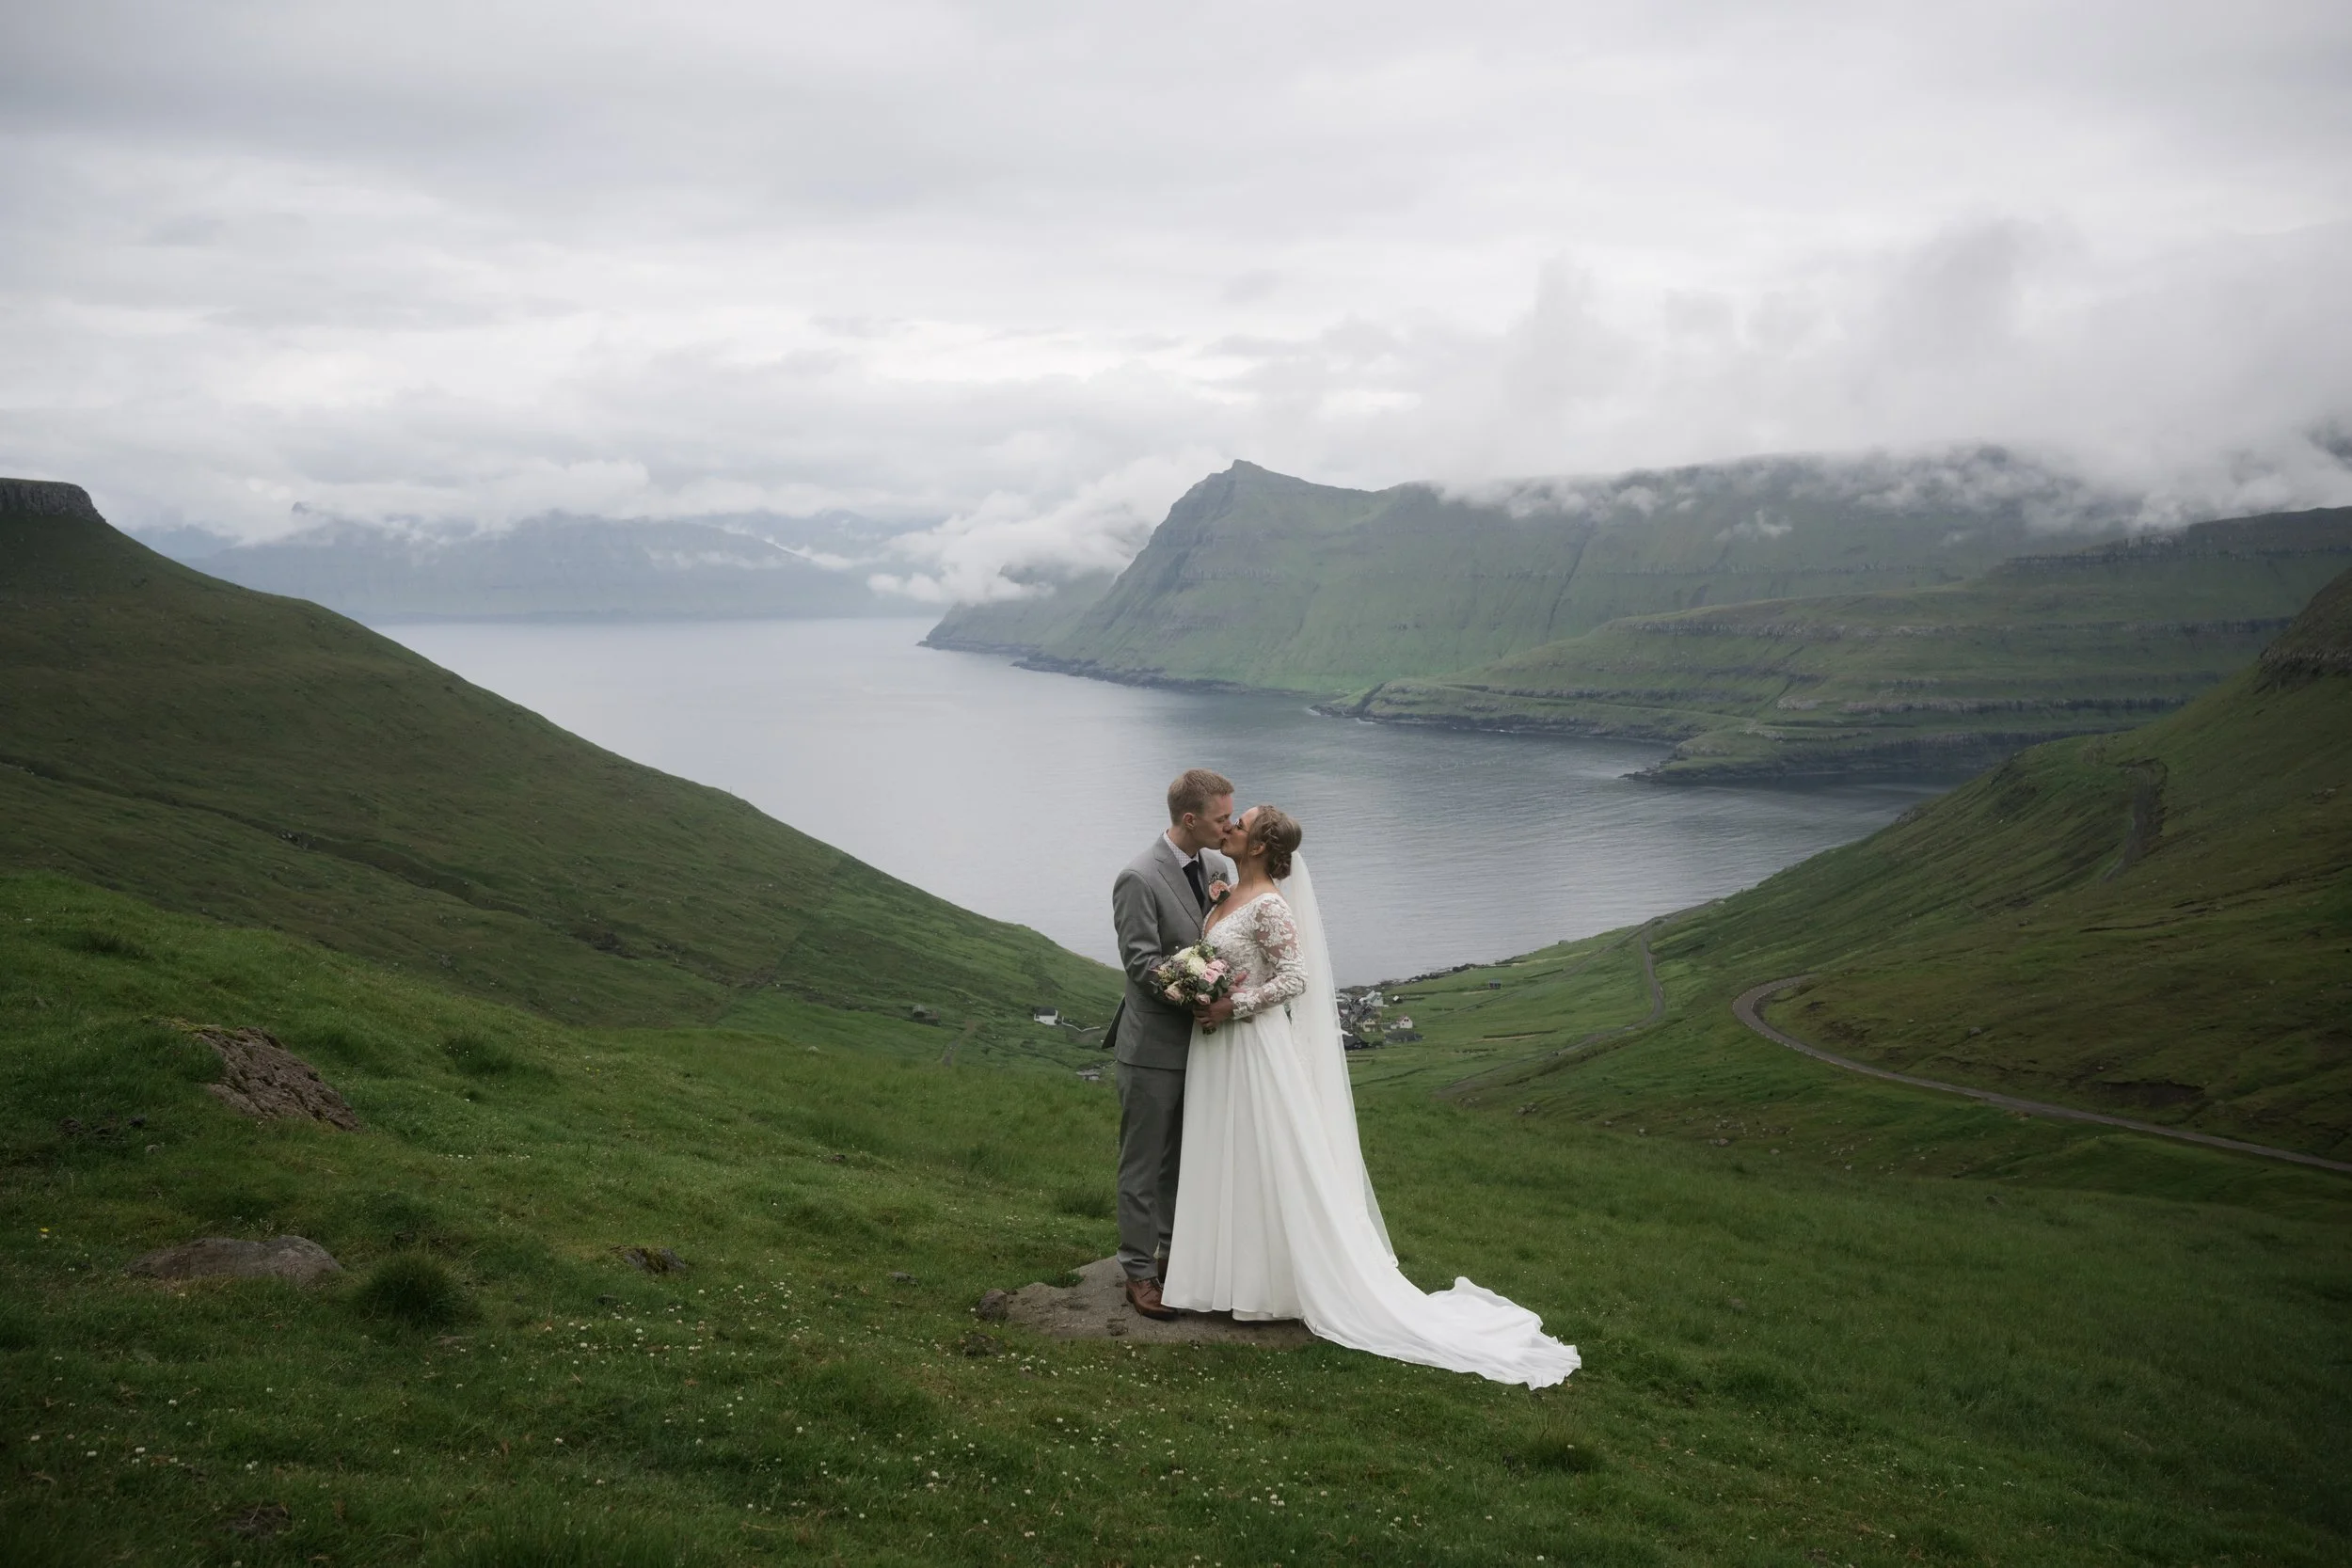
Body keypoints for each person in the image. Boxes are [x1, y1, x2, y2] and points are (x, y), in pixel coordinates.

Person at [1160, 804, 1581, 1387]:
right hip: (1219, 1050)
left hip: (1253, 1046)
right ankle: (1221, 1278)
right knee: (1223, 1153)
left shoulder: (1271, 906)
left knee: (1263, 1156)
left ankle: (1269, 1285)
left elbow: (1295, 978)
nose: (1227, 827)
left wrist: (1235, 1005)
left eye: (1240, 823)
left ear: (1257, 846)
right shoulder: (1227, 892)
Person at [1106, 768, 1238, 1321]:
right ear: (1190, 819)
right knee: (1143, 1165)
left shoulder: (1218, 868)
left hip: (1205, 1048)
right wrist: (1203, 995)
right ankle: (1138, 1273)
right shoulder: (1138, 877)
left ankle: (1175, 1259)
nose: (1230, 826)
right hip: (1153, 1048)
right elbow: (1142, 964)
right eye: (1222, 818)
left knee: (1186, 1161)